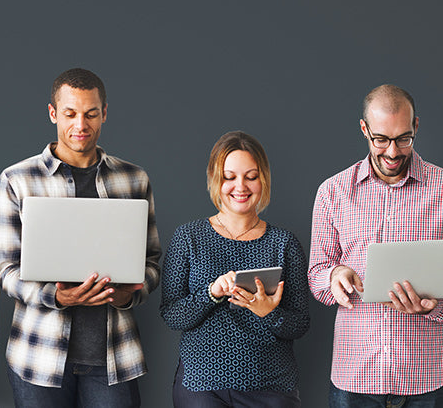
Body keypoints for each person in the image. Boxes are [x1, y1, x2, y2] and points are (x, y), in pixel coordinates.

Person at [0, 68, 160, 407]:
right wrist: (55, 298)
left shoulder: (134, 179)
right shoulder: (17, 180)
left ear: (104, 114)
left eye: (90, 114)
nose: (80, 125)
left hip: (113, 357)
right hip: (39, 356)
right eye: (70, 114)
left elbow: (152, 262)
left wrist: (128, 294)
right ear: (53, 113)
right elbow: (6, 270)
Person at [308, 84, 443, 407]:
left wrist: (434, 308)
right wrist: (335, 275)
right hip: (354, 376)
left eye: (403, 139)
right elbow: (316, 275)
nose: (393, 152)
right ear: (364, 129)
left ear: (416, 127)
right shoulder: (333, 192)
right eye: (381, 139)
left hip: (424, 377)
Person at [160, 131, 309, 407]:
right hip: (202, 386)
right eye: (230, 177)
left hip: (271, 388)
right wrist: (211, 294)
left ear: (263, 179)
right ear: (215, 180)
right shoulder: (188, 237)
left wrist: (270, 313)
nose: (240, 186)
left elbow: (300, 324)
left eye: (251, 176)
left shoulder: (284, 244)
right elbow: (171, 315)